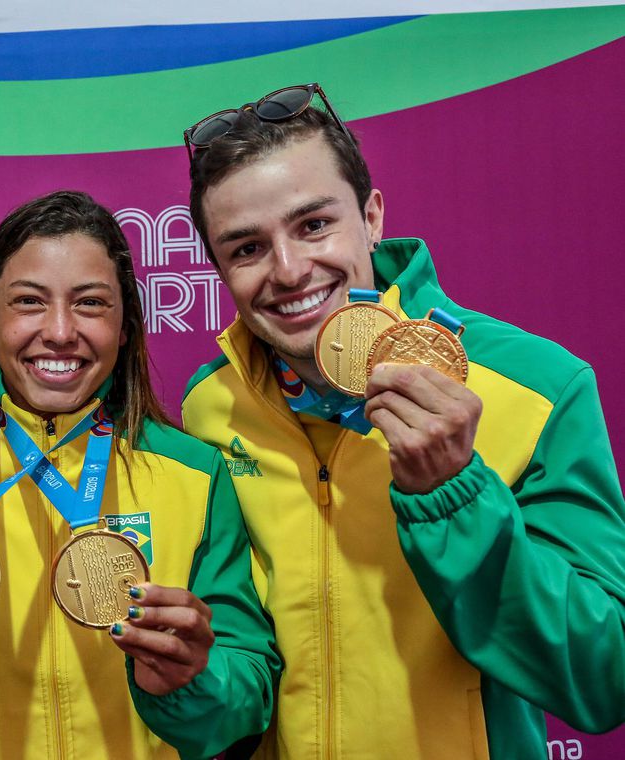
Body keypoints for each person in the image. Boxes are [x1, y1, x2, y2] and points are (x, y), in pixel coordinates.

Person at [180, 84, 625, 758]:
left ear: (373, 216)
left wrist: (456, 499)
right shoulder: (209, 404)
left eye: (314, 225)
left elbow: (603, 678)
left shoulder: (541, 385)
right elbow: (242, 658)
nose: (291, 269)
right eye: (246, 249)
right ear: (218, 267)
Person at [0, 190, 280, 759]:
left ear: (125, 327)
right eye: (28, 302)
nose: (61, 332)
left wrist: (194, 681)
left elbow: (246, 694)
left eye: (91, 304)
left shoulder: (195, 474)